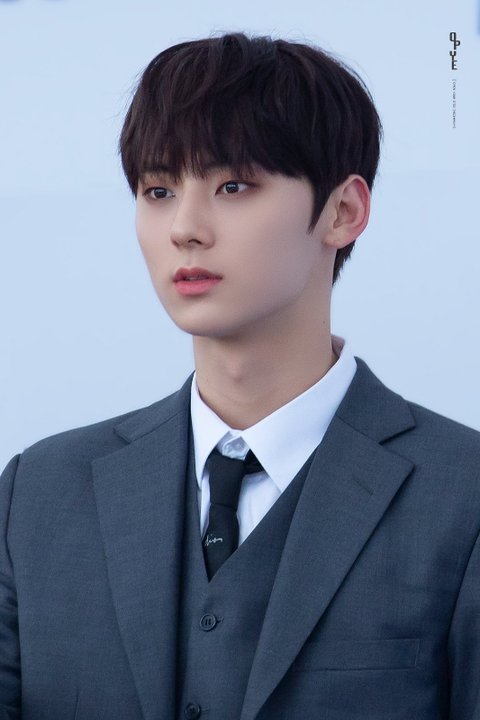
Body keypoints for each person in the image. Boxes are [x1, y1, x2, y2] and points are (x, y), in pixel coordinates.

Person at [1, 32, 479, 720]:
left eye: (233, 186)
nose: (185, 228)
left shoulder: (463, 497)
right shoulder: (37, 496)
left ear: (343, 211)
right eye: (158, 190)